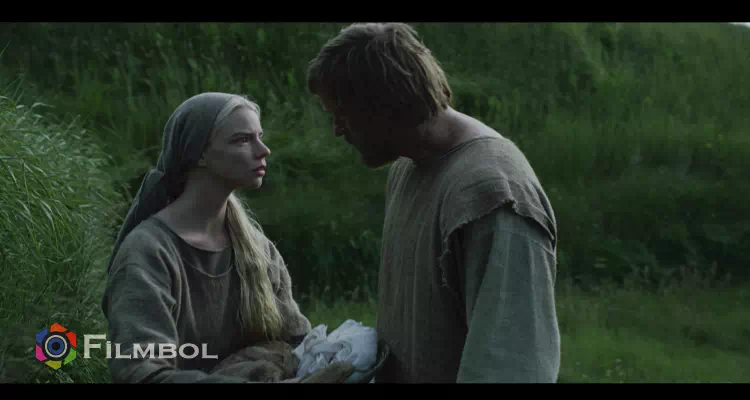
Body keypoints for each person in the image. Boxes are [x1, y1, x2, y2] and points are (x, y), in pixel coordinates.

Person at [306, 23, 561, 383]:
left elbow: (512, 364)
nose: (337, 130)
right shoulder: (406, 165)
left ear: (383, 106)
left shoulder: (493, 196)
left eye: (343, 116)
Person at [101, 92, 352, 383]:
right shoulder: (148, 252)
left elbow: (296, 341)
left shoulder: (257, 249)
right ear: (200, 154)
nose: (264, 150)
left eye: (259, 137)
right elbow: (140, 373)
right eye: (242, 140)